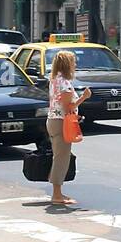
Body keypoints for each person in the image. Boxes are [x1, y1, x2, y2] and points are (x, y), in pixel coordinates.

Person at [46, 50, 91, 206]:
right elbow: (68, 106)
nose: (75, 65)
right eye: (73, 62)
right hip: (61, 122)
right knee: (61, 158)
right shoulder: (64, 83)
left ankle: (58, 192)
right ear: (67, 65)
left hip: (54, 120)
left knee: (60, 155)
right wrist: (83, 98)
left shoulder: (55, 79)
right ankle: (56, 194)